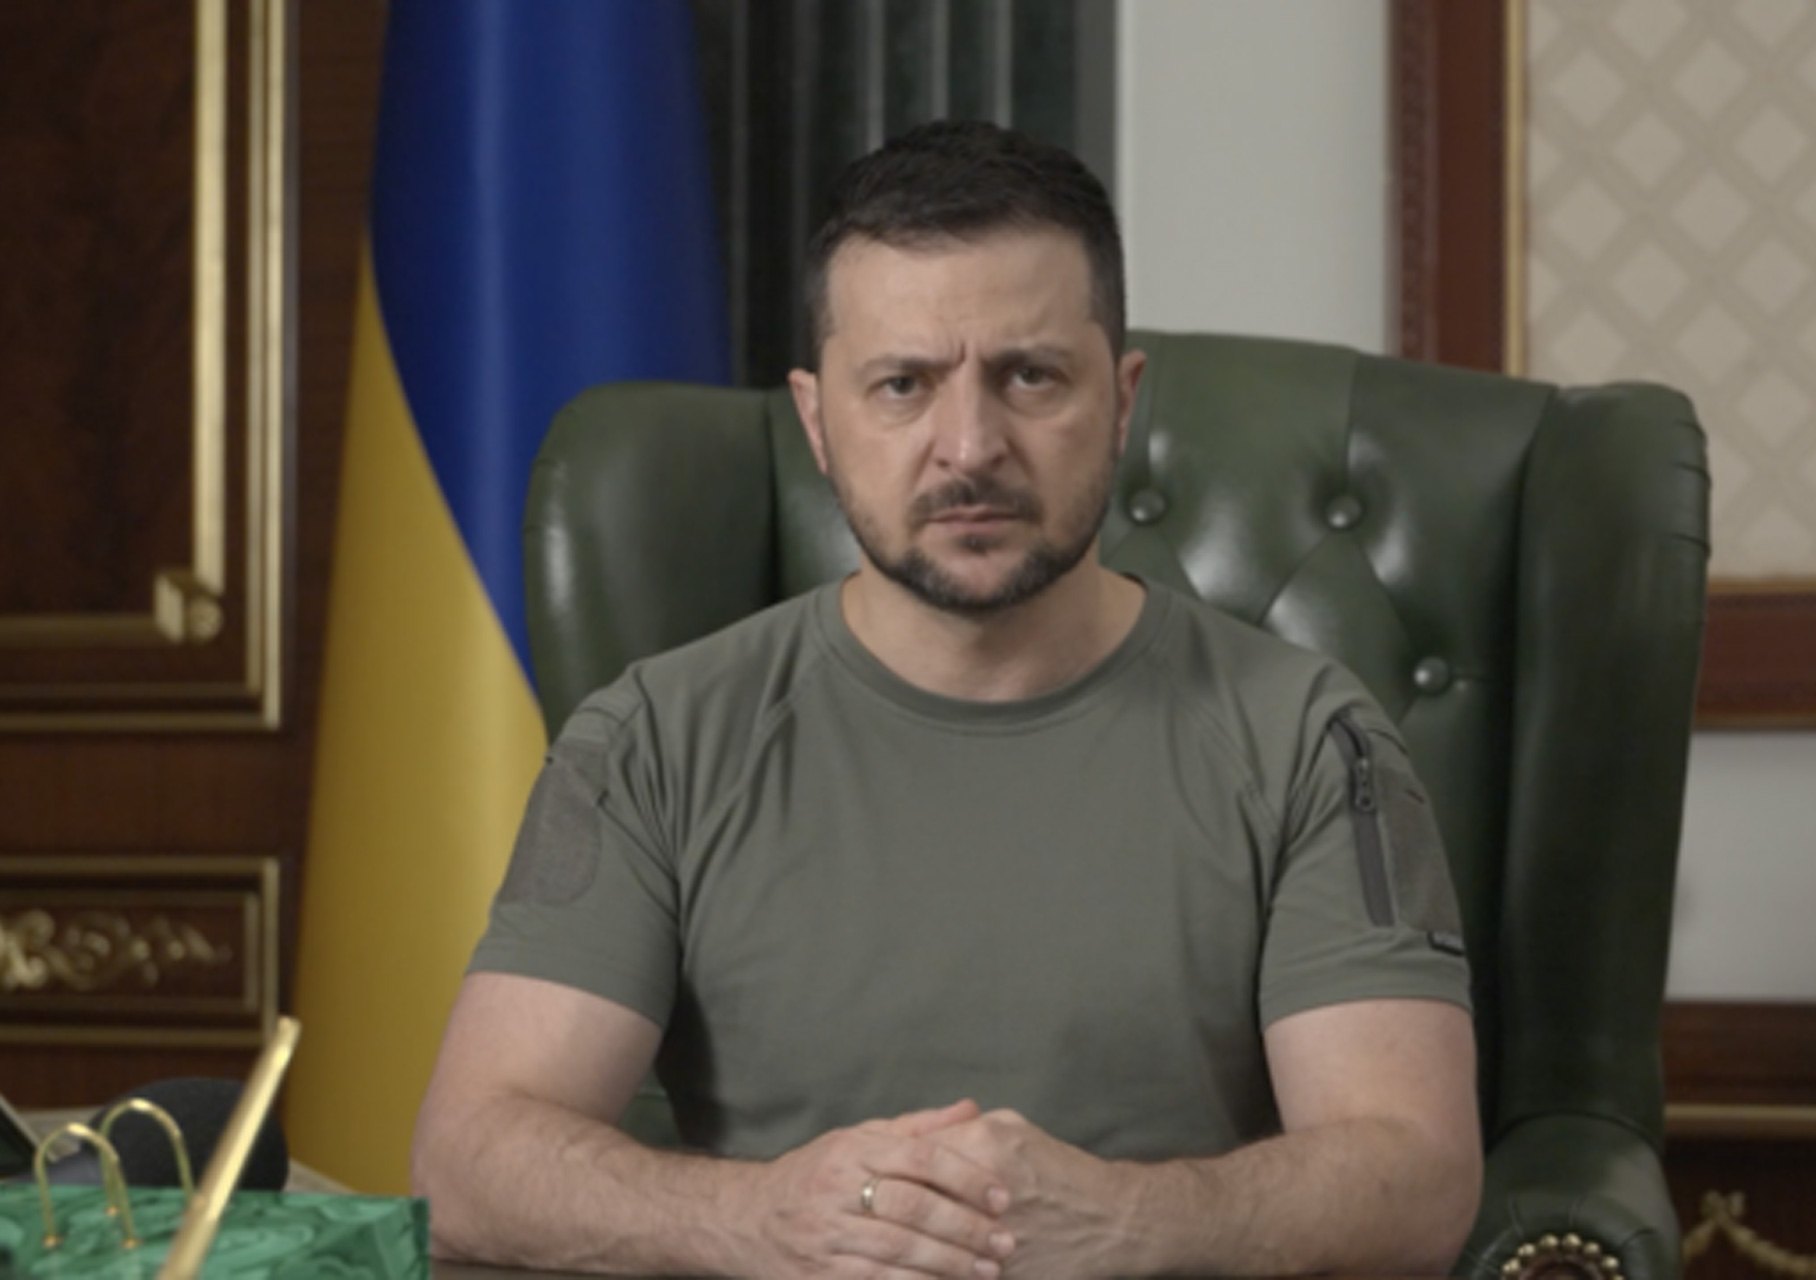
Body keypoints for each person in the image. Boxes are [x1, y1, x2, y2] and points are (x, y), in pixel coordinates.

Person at [413, 120, 1481, 1279]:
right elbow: (465, 1161)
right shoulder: (651, 740)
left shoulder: (1312, 739)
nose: (969, 447)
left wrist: (1127, 1220)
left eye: (1030, 376)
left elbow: (1418, 1174)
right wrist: (764, 1216)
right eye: (903, 385)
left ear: (1123, 401)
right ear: (818, 421)